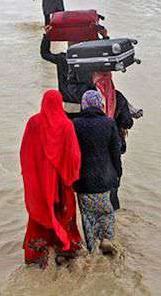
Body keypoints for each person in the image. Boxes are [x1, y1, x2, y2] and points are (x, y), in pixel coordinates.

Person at [19, 90, 83, 267]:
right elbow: (74, 157)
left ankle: (37, 256)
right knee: (64, 213)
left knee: (39, 213)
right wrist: (71, 177)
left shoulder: (33, 123)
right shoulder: (66, 125)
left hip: (40, 182)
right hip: (62, 184)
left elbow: (25, 153)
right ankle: (65, 250)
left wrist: (32, 176)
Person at [72, 91, 122, 255]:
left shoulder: (75, 124)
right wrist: (118, 173)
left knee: (87, 215)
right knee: (106, 211)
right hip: (105, 178)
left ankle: (92, 249)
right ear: (100, 104)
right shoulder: (108, 123)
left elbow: (71, 153)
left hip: (83, 180)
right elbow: (116, 151)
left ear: (83, 104)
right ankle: (107, 239)